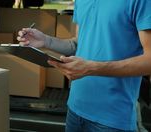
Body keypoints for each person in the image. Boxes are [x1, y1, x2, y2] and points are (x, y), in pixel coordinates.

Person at [17, 0, 151, 132]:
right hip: (75, 109)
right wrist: (46, 41)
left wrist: (93, 68)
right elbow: (78, 44)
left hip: (112, 118)